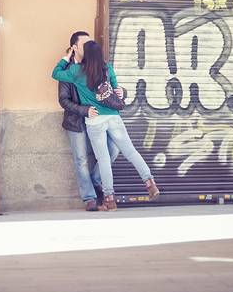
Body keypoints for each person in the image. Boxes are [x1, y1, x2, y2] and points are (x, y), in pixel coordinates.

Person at [52, 40, 160, 211]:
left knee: (103, 160)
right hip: (113, 117)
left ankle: (109, 199)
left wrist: (67, 57)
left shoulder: (76, 71)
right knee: (131, 151)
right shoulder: (107, 68)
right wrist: (121, 91)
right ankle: (150, 182)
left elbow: (56, 73)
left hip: (95, 120)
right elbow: (117, 91)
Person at [59, 31, 120, 211]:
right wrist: (84, 110)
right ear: (74, 48)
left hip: (102, 117)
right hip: (76, 120)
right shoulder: (69, 71)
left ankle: (95, 181)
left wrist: (121, 92)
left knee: (113, 150)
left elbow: (110, 88)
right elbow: (63, 100)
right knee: (81, 159)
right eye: (84, 44)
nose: (89, 47)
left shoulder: (98, 65)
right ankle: (89, 197)